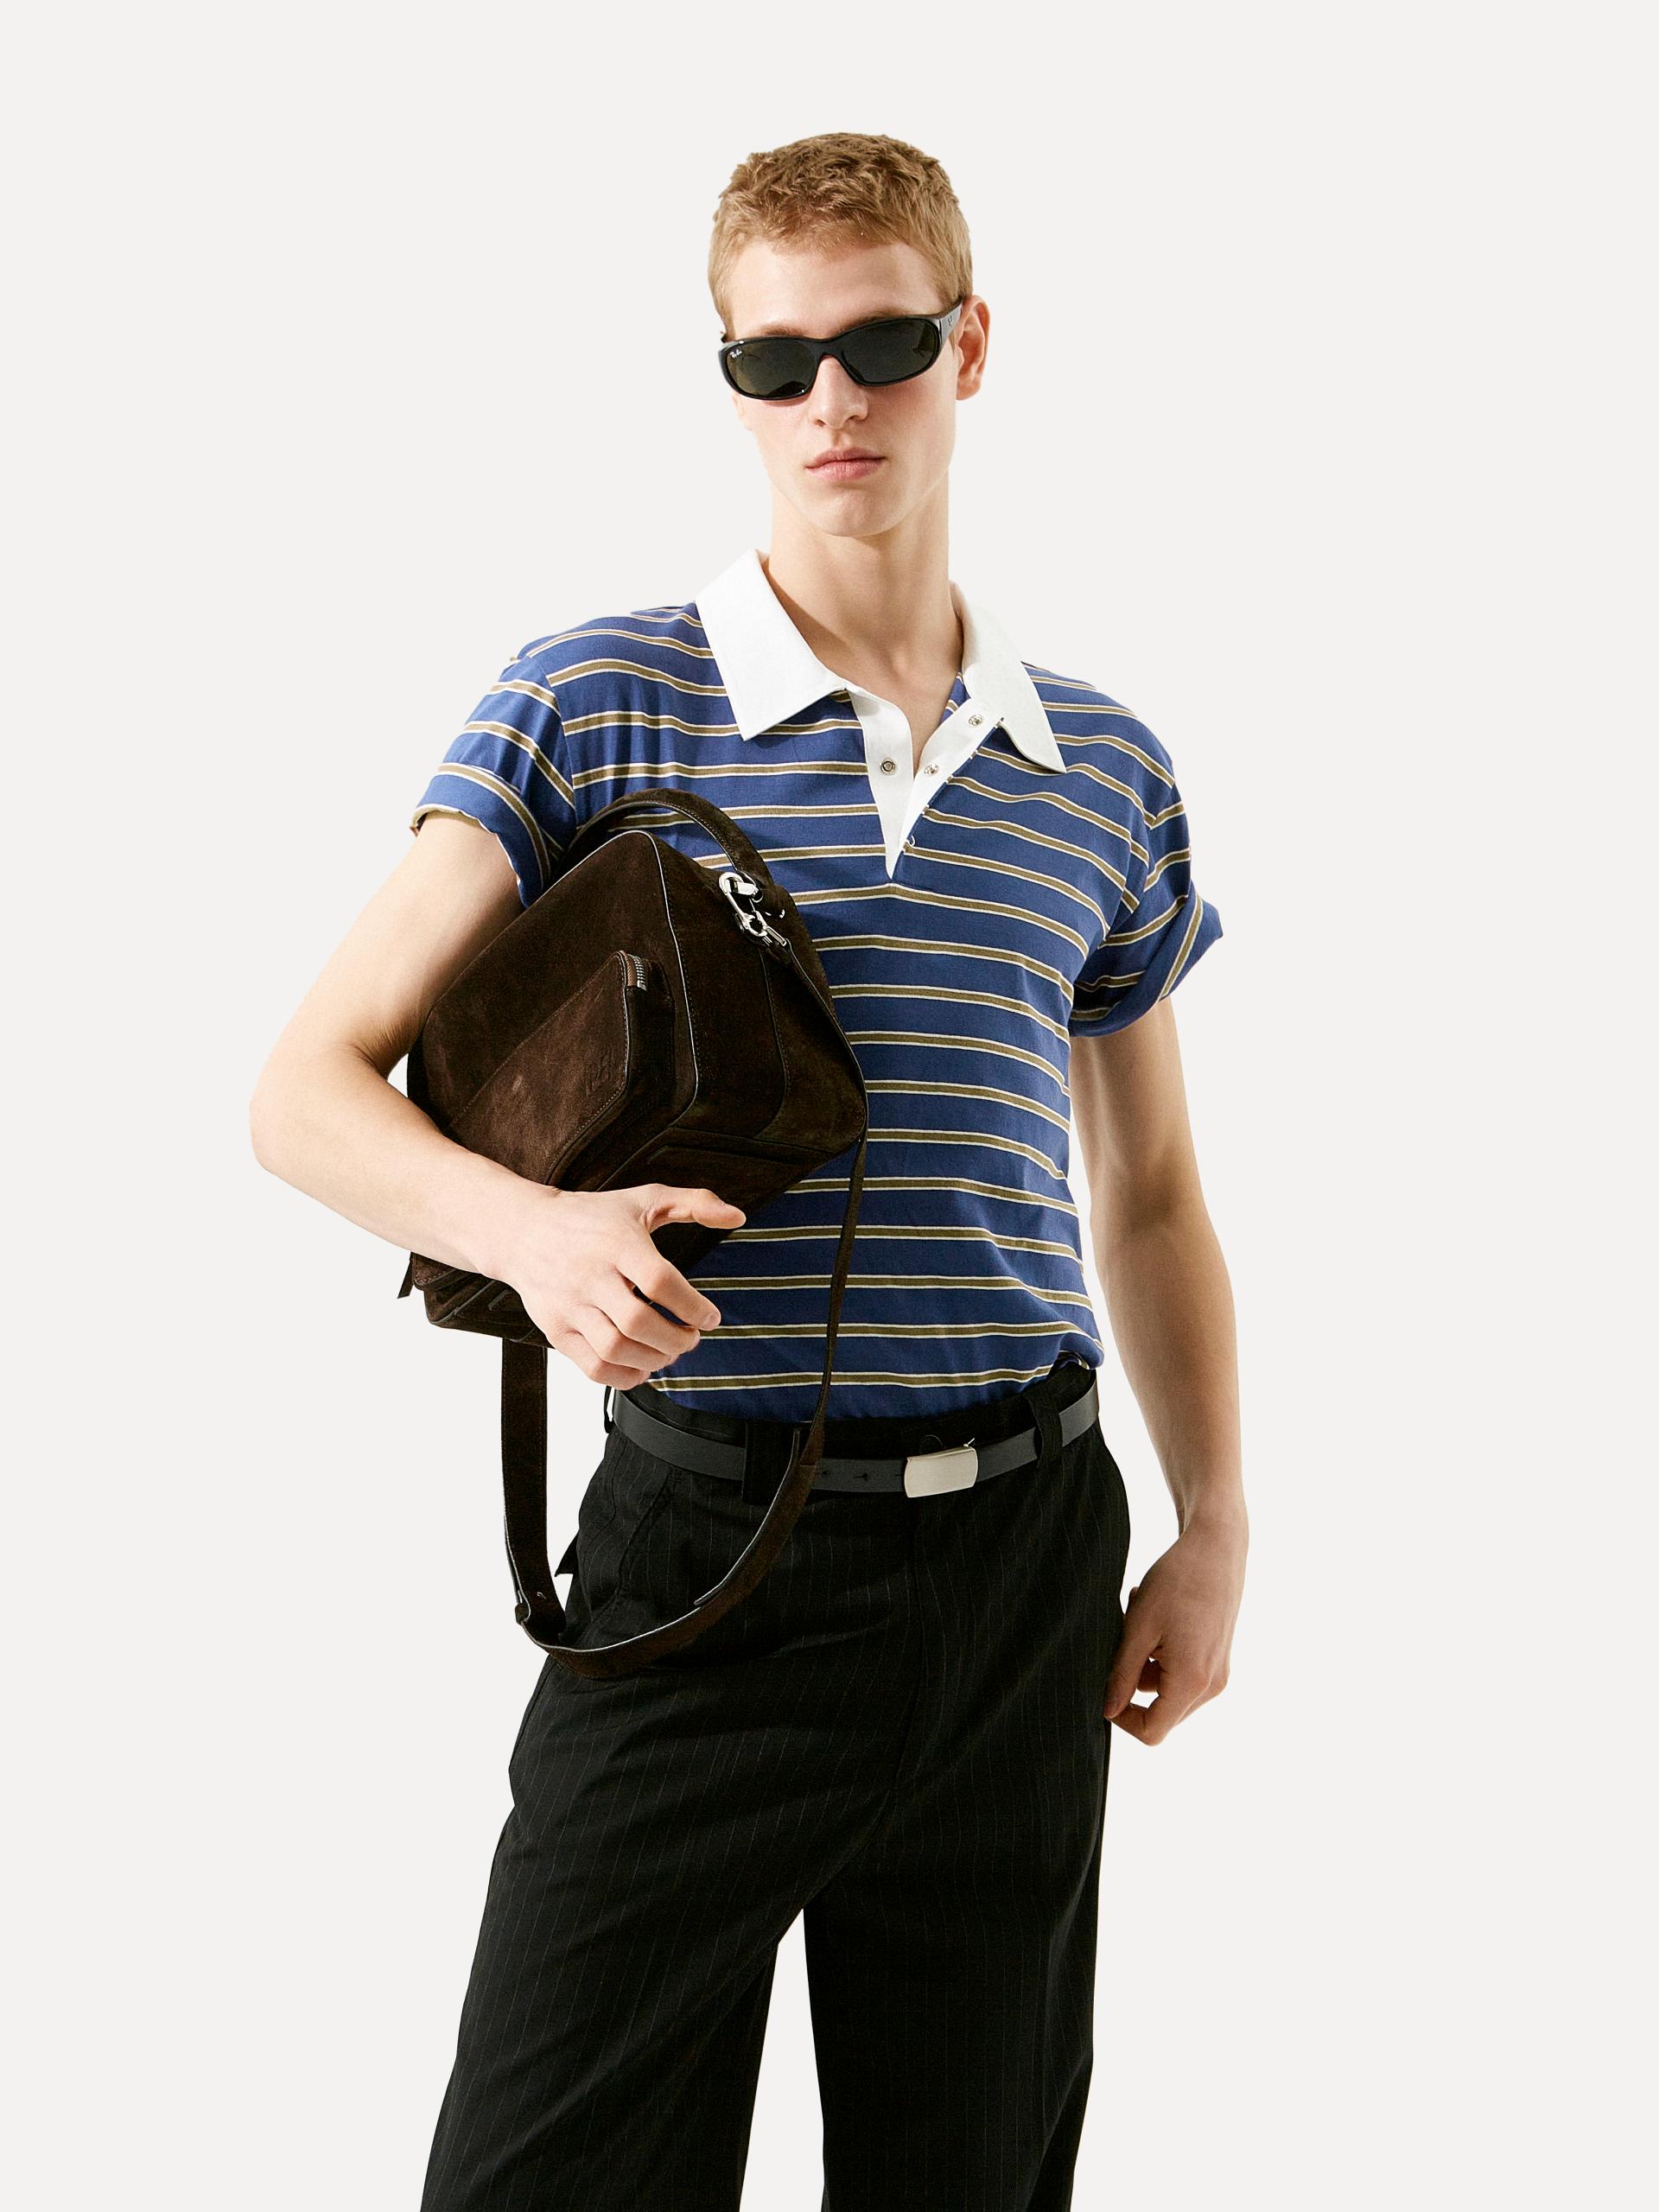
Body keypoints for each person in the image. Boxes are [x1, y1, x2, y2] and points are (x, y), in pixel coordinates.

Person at [250, 129, 1248, 2212]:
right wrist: (530, 1232)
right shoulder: (595, 697)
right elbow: (304, 1089)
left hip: (1025, 1563)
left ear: (970, 345)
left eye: (881, 342)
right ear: (726, 374)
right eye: (772, 359)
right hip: (708, 1551)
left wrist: (1214, 1518)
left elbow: (1150, 1188)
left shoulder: (1104, 767)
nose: (830, 399)